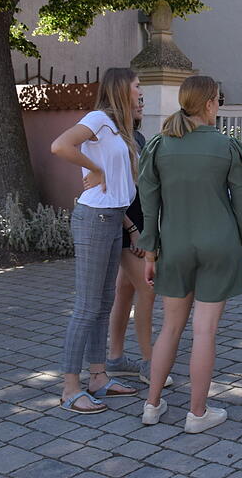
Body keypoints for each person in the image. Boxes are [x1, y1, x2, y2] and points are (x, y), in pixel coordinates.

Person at [136, 75, 242, 433]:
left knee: (170, 328)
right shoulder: (228, 147)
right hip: (220, 245)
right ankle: (197, 413)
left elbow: (148, 205)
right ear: (208, 104)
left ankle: (151, 405)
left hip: (174, 246)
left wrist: (150, 253)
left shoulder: (158, 146)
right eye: (218, 100)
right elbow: (240, 209)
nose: (219, 106)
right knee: (204, 332)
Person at [50, 67, 142, 414]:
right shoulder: (98, 118)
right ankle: (70, 387)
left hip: (113, 218)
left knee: (104, 303)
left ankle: (98, 377)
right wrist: (96, 169)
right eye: (137, 86)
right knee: (87, 307)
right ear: (121, 88)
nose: (140, 92)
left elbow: (119, 191)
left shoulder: (116, 126)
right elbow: (60, 145)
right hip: (94, 220)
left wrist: (132, 227)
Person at [104, 98, 174, 388]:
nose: (142, 100)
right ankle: (149, 363)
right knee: (148, 290)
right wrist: (133, 231)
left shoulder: (139, 137)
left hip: (138, 225)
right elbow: (110, 188)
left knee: (125, 291)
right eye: (136, 92)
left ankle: (116, 359)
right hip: (126, 225)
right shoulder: (113, 137)